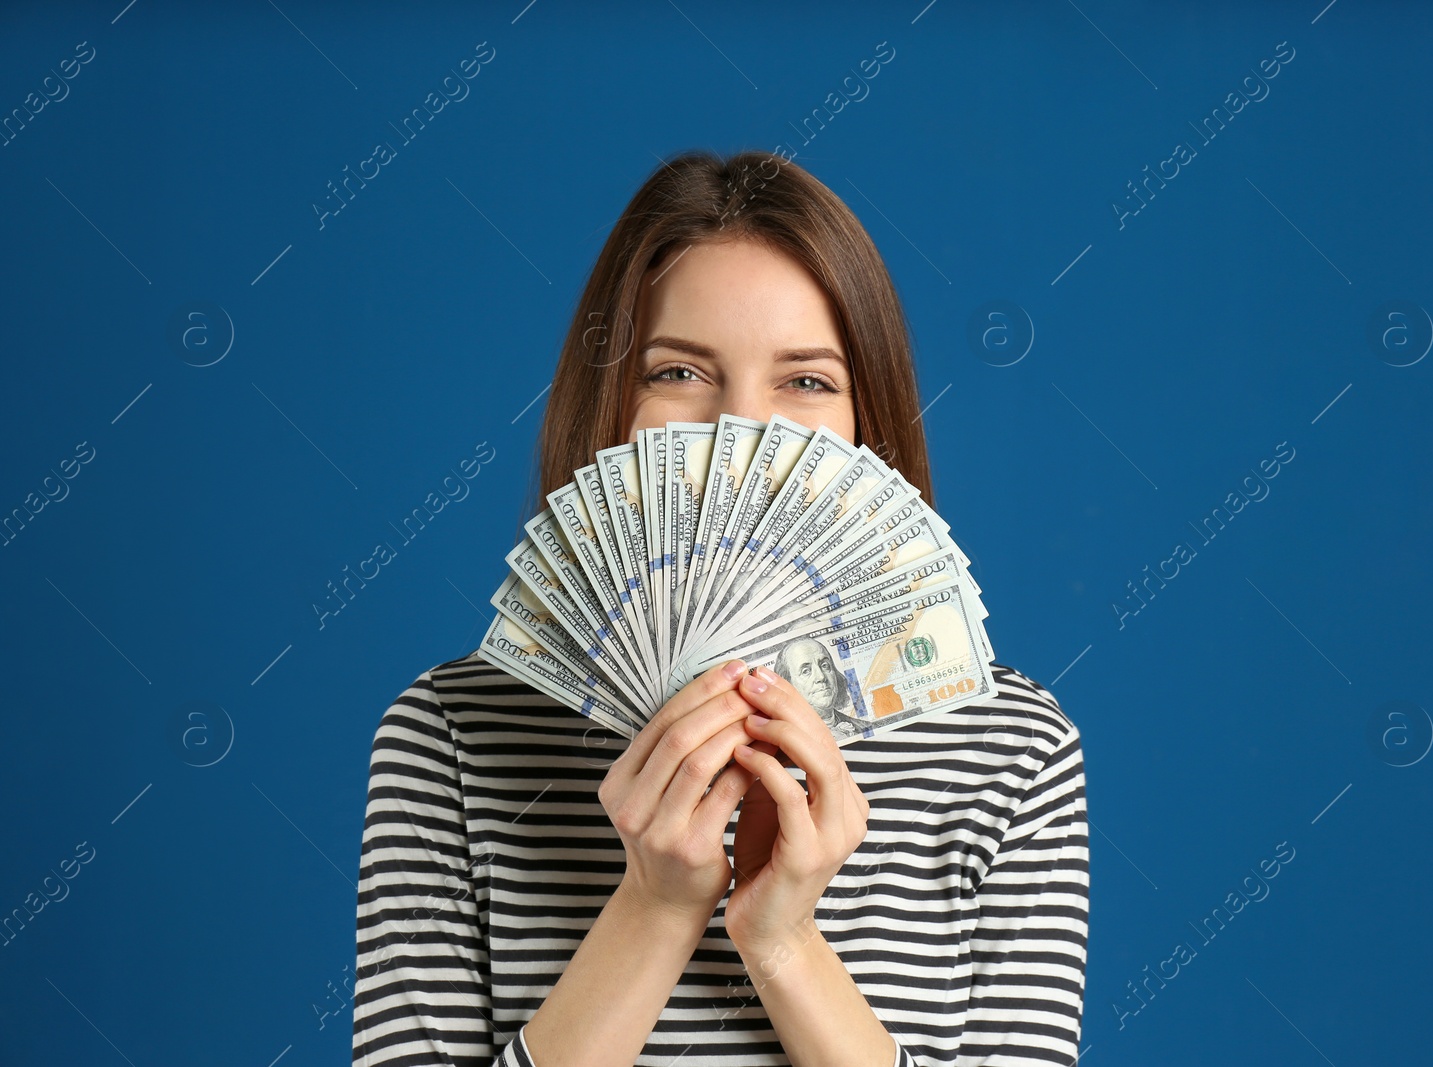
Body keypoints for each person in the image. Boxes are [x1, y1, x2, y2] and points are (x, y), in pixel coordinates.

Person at [350, 149, 1088, 1066]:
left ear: (871, 424)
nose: (743, 429)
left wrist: (782, 941)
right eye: (679, 373)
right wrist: (654, 908)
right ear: (611, 405)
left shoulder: (1011, 748)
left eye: (807, 381)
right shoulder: (452, 735)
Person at [770, 636, 870, 743]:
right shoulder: (782, 741)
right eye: (805, 671)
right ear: (787, 684)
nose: (821, 677)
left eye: (825, 665)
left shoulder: (865, 728)